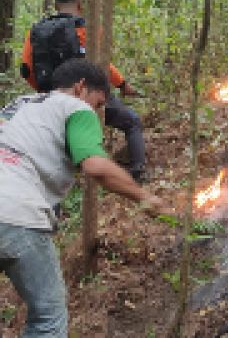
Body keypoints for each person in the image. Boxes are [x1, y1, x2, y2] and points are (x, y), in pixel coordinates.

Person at [0, 58, 171, 337]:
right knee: (48, 319)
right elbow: (95, 166)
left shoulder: (19, 105)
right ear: (81, 88)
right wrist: (146, 198)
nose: (99, 112)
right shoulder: (77, 108)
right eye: (99, 103)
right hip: (15, 212)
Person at [20, 0, 146, 182]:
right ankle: (137, 174)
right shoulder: (86, 29)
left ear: (56, 3)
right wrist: (122, 84)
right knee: (132, 121)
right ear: (79, 2)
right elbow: (103, 65)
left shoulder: (36, 31)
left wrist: (47, 92)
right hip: (84, 97)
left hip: (48, 102)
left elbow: (26, 70)